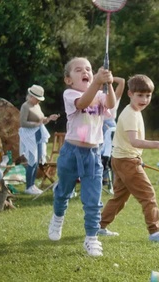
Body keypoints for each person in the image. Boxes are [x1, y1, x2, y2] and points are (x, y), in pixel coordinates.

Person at [97, 74, 159, 243]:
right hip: (126, 161)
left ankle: (98, 226)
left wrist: (137, 158)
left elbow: (130, 143)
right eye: (140, 95)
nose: (144, 99)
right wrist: (158, 144)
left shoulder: (134, 111)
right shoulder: (131, 115)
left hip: (122, 159)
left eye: (147, 95)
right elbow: (134, 141)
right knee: (148, 195)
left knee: (119, 198)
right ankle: (155, 232)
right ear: (130, 94)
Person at [48, 57, 116, 257]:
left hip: (93, 155)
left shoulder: (100, 96)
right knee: (63, 192)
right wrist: (96, 82)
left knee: (93, 199)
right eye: (79, 70)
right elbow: (83, 102)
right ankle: (58, 217)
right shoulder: (70, 94)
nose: (85, 72)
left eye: (88, 69)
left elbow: (111, 104)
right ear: (68, 80)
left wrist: (109, 84)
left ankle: (91, 238)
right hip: (71, 153)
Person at [19, 84, 60, 195]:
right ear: (31, 96)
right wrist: (36, 124)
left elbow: (42, 120)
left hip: (38, 134)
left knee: (37, 161)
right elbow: (22, 123)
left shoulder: (37, 106)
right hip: (29, 136)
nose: (38, 101)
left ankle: (32, 185)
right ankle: (29, 186)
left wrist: (49, 118)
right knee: (31, 161)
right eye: (37, 99)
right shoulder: (25, 106)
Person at [101, 76, 125, 185]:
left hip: (110, 127)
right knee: (101, 153)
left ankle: (115, 178)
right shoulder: (96, 96)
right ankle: (104, 178)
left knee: (112, 152)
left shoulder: (114, 98)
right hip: (98, 126)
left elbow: (122, 81)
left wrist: (109, 77)